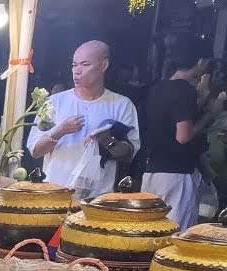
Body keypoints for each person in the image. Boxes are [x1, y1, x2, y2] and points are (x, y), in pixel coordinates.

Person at [27, 41, 140, 198]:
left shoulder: (121, 105)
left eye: (85, 64)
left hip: (97, 196)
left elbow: (129, 155)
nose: (77, 71)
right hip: (54, 192)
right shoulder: (54, 102)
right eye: (74, 65)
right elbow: (35, 151)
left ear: (104, 65)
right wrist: (60, 130)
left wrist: (107, 141)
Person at [144, 49, 222, 230]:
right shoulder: (185, 90)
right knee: (175, 232)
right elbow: (183, 136)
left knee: (149, 230)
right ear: (200, 61)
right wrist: (210, 114)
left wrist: (201, 100)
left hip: (152, 170)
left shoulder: (156, 88)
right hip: (177, 174)